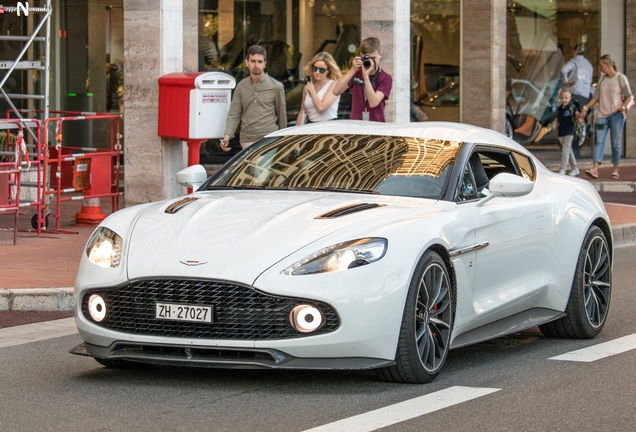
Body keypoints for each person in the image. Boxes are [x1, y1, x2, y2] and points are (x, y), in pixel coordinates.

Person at [221, 45, 287, 151]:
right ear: (247, 62)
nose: (256, 65)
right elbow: (234, 114)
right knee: (252, 168)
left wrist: (283, 140)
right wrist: (227, 135)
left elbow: (282, 116)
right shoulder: (241, 86)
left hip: (268, 138)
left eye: (260, 61)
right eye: (253, 61)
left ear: (265, 63)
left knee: (262, 167)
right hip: (247, 139)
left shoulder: (276, 87)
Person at [582, 54, 633, 179]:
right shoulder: (602, 80)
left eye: (601, 65)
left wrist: (624, 107)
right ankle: (595, 169)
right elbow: (596, 97)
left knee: (615, 142)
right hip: (602, 115)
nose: (600, 68)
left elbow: (629, 96)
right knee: (599, 140)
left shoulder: (620, 78)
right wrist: (586, 107)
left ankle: (615, 169)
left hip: (617, 115)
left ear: (608, 65)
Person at [332, 37, 393, 122]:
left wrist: (366, 77)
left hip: (376, 125)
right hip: (356, 124)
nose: (371, 62)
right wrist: (352, 70)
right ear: (361, 56)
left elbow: (373, 103)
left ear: (380, 55)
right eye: (367, 58)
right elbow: (336, 91)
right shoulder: (356, 72)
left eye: (374, 58)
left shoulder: (386, 78)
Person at [561, 44, 594, 158]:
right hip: (585, 95)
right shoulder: (589, 65)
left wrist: (566, 81)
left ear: (576, 51)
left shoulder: (574, 62)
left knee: (571, 122)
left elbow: (563, 69)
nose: (571, 53)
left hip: (574, 93)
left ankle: (572, 151)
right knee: (579, 122)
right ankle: (576, 150)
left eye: (572, 51)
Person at [296, 52, 342, 124]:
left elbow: (321, 108)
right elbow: (303, 112)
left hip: (328, 127)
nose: (317, 72)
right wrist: (296, 132)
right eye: (315, 68)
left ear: (328, 71)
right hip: (310, 127)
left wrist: (313, 91)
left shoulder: (333, 85)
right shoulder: (307, 87)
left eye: (321, 70)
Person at [544, 87, 581, 176]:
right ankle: (575, 168)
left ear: (570, 98)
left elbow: (577, 114)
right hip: (561, 132)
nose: (564, 100)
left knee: (565, 151)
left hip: (569, 132)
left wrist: (579, 115)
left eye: (566, 98)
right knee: (568, 151)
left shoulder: (571, 107)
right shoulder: (560, 108)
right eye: (562, 98)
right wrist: (554, 124)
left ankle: (563, 168)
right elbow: (557, 118)